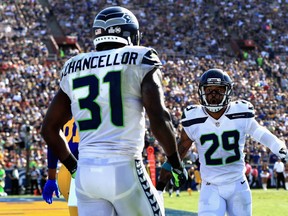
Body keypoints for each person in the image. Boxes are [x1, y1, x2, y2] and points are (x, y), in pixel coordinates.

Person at [41, 6, 187, 216]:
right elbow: (159, 119)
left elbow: (49, 129)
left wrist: (73, 167)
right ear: (130, 33)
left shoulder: (74, 66)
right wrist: (175, 162)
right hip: (124, 167)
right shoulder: (140, 57)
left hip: (86, 175)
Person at [156, 69, 288, 216]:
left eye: (219, 90)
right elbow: (180, 149)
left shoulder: (240, 112)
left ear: (228, 91)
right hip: (210, 186)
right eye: (209, 90)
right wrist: (163, 181)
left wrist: (280, 148)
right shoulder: (193, 117)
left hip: (238, 184)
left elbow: (261, 134)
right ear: (201, 91)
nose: (214, 94)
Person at [42, 118, 79, 216]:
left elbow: (53, 140)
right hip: (89, 166)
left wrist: (51, 178)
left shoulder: (62, 108)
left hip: (67, 169)